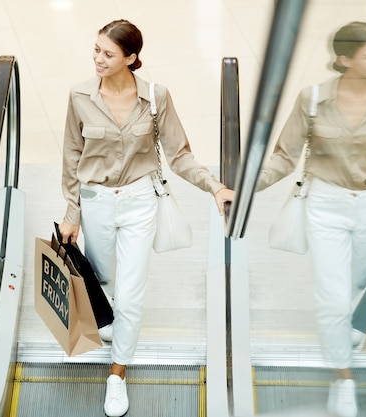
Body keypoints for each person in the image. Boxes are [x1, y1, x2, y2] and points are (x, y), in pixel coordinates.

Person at [58, 19, 235, 417]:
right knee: (102, 278)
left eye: (108, 53)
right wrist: (71, 212)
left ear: (131, 58)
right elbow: (71, 157)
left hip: (140, 200)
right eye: (96, 50)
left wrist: (214, 186)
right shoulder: (80, 95)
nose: (98, 59)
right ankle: (111, 321)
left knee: (132, 294)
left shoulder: (156, 98)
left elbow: (179, 154)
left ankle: (117, 375)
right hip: (95, 200)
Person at [256, 21, 366, 417]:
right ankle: (343, 378)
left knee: (361, 280)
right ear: (344, 60)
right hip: (325, 204)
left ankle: (348, 330)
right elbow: (285, 155)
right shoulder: (312, 100)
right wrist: (247, 187)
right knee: (332, 297)